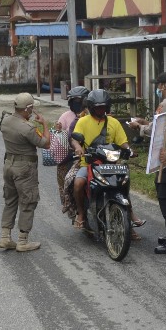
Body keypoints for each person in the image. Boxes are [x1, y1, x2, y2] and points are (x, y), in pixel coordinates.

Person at [70, 89, 144, 236]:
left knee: (122, 185)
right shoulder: (83, 122)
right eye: (97, 107)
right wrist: (78, 148)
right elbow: (74, 139)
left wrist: (129, 150)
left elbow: (123, 142)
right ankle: (81, 213)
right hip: (89, 163)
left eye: (103, 107)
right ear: (91, 107)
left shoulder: (114, 122)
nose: (100, 110)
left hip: (111, 164)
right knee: (78, 183)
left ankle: (129, 217)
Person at [128, 72, 166, 254]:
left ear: (164, 86)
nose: (157, 89)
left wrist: (139, 127)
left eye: (159, 86)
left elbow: (158, 130)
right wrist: (146, 122)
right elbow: (160, 124)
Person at [0, 92, 50, 252]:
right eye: (32, 108)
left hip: (9, 164)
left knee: (10, 200)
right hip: (25, 168)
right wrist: (45, 125)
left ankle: (5, 237)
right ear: (27, 109)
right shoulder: (27, 128)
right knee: (28, 201)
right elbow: (45, 144)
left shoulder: (5, 121)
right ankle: (22, 241)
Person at [55, 86, 89, 211]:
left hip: (89, 155)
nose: (77, 104)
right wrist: (58, 129)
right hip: (70, 155)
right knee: (66, 182)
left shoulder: (93, 115)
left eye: (79, 102)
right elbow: (62, 135)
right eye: (74, 102)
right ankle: (70, 206)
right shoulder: (66, 116)